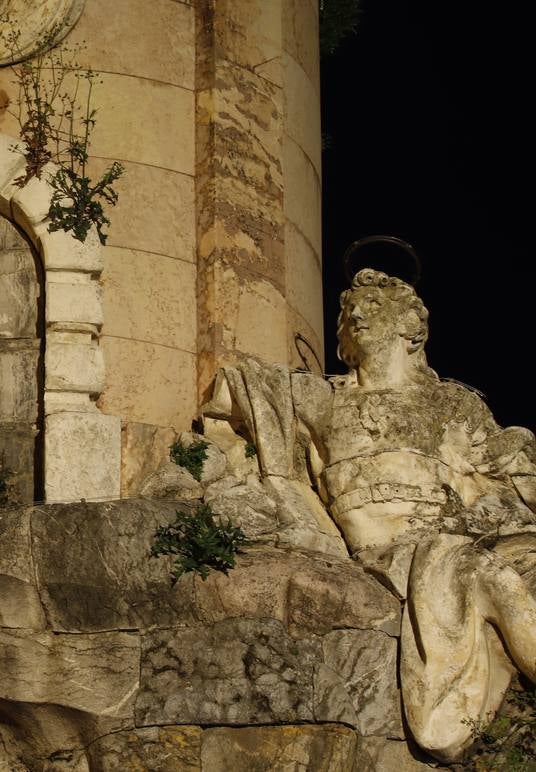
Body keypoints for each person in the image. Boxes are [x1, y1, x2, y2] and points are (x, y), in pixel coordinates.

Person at [205, 269, 535, 761]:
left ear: (411, 327)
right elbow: (242, 389)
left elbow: (507, 479)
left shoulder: (454, 404)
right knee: (492, 577)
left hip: (459, 534)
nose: (356, 315)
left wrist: (516, 455)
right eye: (347, 311)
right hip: (399, 555)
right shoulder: (324, 398)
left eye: (374, 307)